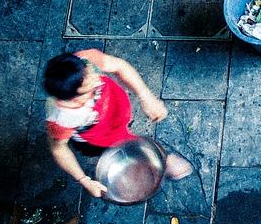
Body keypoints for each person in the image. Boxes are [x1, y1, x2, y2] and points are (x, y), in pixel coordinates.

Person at [43, 49, 192, 198]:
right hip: (98, 135)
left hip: (114, 109)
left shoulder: (85, 62)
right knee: (119, 146)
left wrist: (145, 97)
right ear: (73, 98)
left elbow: (119, 66)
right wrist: (84, 180)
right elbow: (58, 149)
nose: (97, 78)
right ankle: (154, 163)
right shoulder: (62, 118)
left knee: (125, 134)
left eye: (91, 72)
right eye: (89, 86)